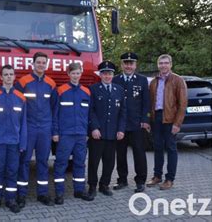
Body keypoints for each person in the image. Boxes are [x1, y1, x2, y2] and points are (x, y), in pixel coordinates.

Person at [15, 52, 57, 207]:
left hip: (45, 128)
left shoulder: (51, 84)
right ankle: (21, 195)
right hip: (28, 127)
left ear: (46, 64)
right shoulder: (23, 82)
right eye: (38, 62)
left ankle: (43, 194)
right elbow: (17, 105)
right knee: (24, 161)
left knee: (43, 162)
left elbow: (54, 107)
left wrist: (53, 130)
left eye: (43, 62)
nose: (41, 65)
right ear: (32, 64)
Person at [0, 65, 27, 213]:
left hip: (14, 144)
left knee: (12, 171)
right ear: (1, 77)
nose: (9, 77)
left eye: (11, 74)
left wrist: (23, 143)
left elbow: (24, 123)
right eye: (6, 74)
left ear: (14, 77)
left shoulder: (21, 98)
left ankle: (10, 199)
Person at [52, 63, 95, 204]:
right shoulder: (61, 91)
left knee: (80, 163)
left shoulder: (86, 92)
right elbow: (55, 114)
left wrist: (88, 132)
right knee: (61, 163)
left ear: (81, 74)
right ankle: (59, 193)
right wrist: (56, 132)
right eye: (73, 73)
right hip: (65, 135)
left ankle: (79, 190)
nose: (76, 75)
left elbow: (89, 115)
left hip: (81, 135)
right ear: (68, 74)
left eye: (78, 73)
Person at [146, 54, 187, 190]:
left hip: (170, 119)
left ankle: (169, 179)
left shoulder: (178, 80)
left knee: (171, 149)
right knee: (157, 148)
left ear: (170, 64)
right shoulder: (153, 82)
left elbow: (182, 104)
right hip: (156, 118)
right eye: (161, 63)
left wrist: (177, 123)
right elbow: (150, 102)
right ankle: (157, 176)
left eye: (166, 63)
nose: (163, 65)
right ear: (158, 65)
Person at [112, 52, 151, 193]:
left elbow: (146, 102)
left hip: (137, 124)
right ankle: (122, 180)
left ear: (135, 65)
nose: (128, 66)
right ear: (121, 64)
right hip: (120, 125)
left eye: (131, 63)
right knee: (120, 154)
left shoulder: (141, 80)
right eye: (125, 63)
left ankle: (140, 181)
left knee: (139, 154)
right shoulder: (115, 80)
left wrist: (145, 119)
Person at [87, 60, 126, 197]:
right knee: (94, 162)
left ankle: (104, 184)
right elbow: (90, 111)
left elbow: (122, 112)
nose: (107, 76)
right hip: (97, 133)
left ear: (113, 75)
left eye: (110, 74)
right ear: (100, 75)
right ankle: (92, 186)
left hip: (113, 133)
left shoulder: (119, 90)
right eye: (104, 73)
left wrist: (121, 129)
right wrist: (94, 128)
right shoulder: (93, 89)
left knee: (109, 162)